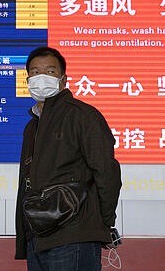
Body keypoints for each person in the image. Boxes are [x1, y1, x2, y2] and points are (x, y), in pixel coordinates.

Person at [15, 46, 122, 270]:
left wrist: (100, 223)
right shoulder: (31, 126)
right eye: (35, 72)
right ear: (27, 80)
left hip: (74, 236)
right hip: (38, 237)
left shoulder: (82, 115)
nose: (41, 78)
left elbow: (107, 172)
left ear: (63, 80)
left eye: (50, 72)